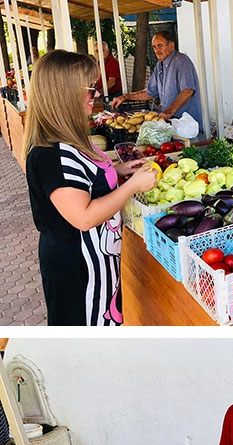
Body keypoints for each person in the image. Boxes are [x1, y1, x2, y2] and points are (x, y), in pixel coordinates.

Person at [23, 50, 157, 326]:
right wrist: (131, 186)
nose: (96, 95)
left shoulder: (70, 139)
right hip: (78, 270)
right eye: (90, 89)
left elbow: (85, 177)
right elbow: (83, 217)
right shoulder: (51, 153)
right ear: (65, 94)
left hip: (97, 262)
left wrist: (118, 170)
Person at [110, 31, 202, 131]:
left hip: (188, 126)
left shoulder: (182, 61)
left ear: (171, 46)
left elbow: (188, 90)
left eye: (160, 46)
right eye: (154, 47)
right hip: (172, 124)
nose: (157, 50)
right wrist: (125, 97)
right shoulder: (159, 65)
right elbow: (149, 93)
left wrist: (168, 112)